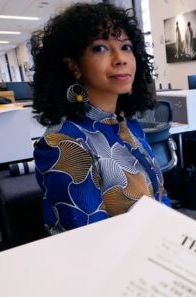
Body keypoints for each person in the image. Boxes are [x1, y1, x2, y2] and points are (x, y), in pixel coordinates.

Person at [31, 3, 169, 233]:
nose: (120, 58)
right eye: (101, 48)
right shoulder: (64, 143)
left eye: (125, 47)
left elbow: (158, 195)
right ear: (74, 64)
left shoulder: (126, 123)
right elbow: (89, 242)